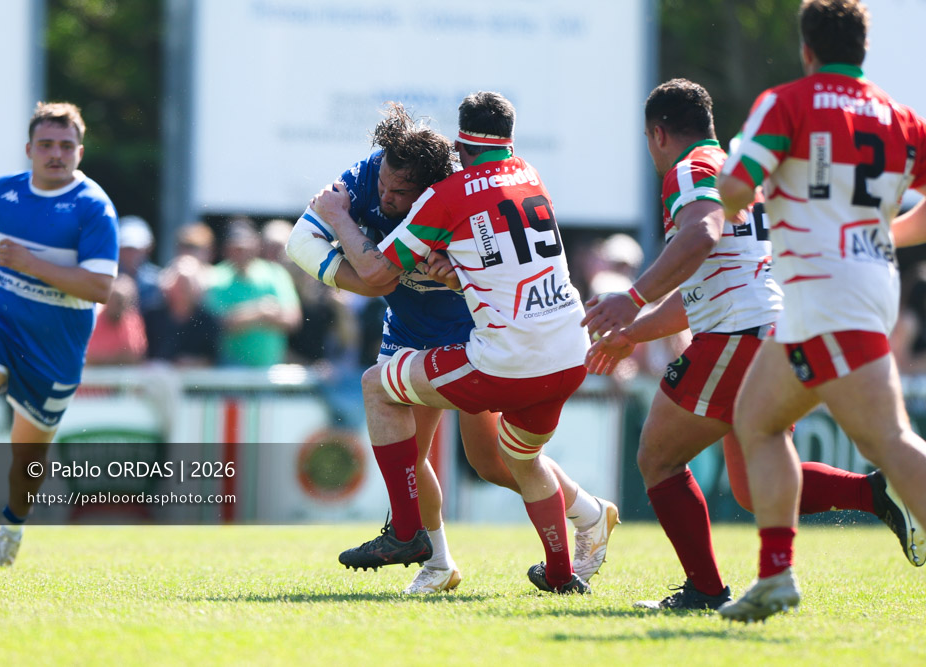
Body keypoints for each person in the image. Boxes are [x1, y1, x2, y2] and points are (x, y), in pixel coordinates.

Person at [585, 78, 916, 611]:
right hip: (771, 328)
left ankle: (705, 590)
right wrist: (632, 332)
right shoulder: (742, 171)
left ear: (658, 134)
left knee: (657, 457)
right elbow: (706, 287)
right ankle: (875, 492)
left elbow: (702, 235)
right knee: (748, 484)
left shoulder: (687, 169)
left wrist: (633, 295)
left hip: (739, 334)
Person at [292, 102, 617, 595]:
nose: (386, 196)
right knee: (410, 456)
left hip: (476, 334)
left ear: (430, 184)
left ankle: (588, 512)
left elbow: (457, 264)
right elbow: (301, 241)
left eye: (400, 192)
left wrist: (451, 273)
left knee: (492, 462)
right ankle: (438, 561)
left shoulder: (450, 192)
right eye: (384, 184)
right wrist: (360, 265)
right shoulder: (367, 177)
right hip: (409, 331)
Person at [715, 0, 926, 622]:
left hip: (822, 287)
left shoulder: (788, 102)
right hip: (848, 286)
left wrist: (739, 190)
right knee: (756, 421)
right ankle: (776, 576)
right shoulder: (897, 115)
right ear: (862, 49)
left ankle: (778, 575)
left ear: (807, 50)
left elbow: (733, 188)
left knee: (887, 438)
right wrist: (887, 230)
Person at [0, 101, 118, 566]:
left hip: (56, 343)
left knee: (25, 457)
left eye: (66, 146)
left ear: (80, 151)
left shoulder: (93, 208)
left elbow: (100, 288)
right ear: (29, 149)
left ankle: (12, 527)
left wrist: (31, 264)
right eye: (47, 145)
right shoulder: (3, 192)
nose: (56, 153)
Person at [205, 218, 302, 367]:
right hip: (230, 366)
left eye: (246, 247)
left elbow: (292, 319)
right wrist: (260, 312)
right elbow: (216, 325)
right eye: (237, 248)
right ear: (226, 248)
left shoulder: (275, 273)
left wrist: (246, 317)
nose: (242, 253)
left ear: (256, 245)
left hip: (271, 366)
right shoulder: (215, 277)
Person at [143, 255, 222, 367]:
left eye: (187, 286)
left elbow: (212, 358)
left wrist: (193, 363)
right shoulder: (151, 315)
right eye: (179, 285)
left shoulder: (208, 321)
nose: (183, 291)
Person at [85, 273, 147, 366]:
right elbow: (90, 358)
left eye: (121, 302)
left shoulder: (133, 321)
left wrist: (109, 357)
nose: (117, 305)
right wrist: (118, 357)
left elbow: (137, 356)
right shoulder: (94, 319)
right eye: (114, 300)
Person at [117, 215, 163, 314]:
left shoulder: (158, 281)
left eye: (137, 249)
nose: (132, 254)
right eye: (128, 248)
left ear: (148, 248)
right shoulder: (107, 278)